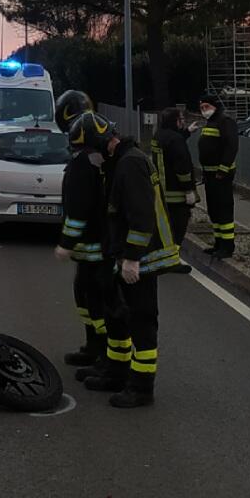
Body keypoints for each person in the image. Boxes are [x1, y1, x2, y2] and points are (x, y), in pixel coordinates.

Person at [71, 111, 179, 408]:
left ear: (104, 143)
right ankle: (116, 371)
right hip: (126, 256)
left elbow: (141, 217)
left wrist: (132, 258)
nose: (92, 157)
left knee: (142, 322)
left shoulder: (130, 163)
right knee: (118, 315)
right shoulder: (121, 161)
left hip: (142, 259)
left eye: (92, 149)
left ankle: (142, 387)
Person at [52, 91, 109, 368]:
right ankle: (94, 346)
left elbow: (78, 207)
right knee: (87, 298)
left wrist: (66, 241)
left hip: (94, 248)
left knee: (96, 301)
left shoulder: (82, 163)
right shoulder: (98, 158)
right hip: (97, 247)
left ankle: (103, 351)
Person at [151, 108, 197, 269]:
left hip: (161, 192)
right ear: (174, 121)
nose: (183, 122)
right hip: (176, 193)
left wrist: (186, 133)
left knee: (164, 228)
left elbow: (171, 146)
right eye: (181, 119)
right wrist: (189, 190)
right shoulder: (175, 139)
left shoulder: (158, 136)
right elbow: (182, 168)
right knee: (178, 228)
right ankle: (171, 261)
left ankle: (160, 257)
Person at [197, 93, 239, 259]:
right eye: (201, 108)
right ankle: (218, 243)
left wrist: (223, 170)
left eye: (206, 107)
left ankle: (227, 246)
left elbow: (231, 147)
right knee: (213, 210)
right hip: (210, 174)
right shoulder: (211, 122)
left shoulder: (225, 122)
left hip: (222, 175)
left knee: (223, 210)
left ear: (214, 106)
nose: (203, 110)